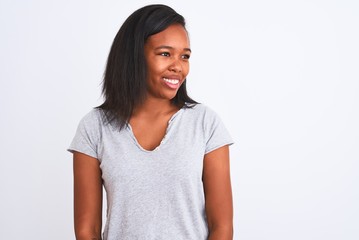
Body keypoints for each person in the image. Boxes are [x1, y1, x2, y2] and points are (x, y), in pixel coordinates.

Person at [68, 4, 234, 240]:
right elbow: (87, 230)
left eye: (184, 56)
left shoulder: (205, 124)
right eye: (165, 54)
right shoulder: (94, 128)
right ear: (134, 55)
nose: (178, 66)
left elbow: (222, 228)